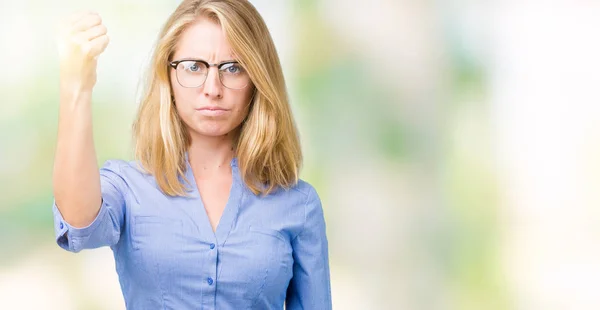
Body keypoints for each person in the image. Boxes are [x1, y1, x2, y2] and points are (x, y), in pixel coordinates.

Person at [51, 1, 332, 309]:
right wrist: (76, 86)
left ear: (257, 81)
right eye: (194, 67)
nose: (212, 88)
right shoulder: (127, 188)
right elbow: (79, 224)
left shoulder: (299, 205)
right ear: (168, 75)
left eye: (233, 68)